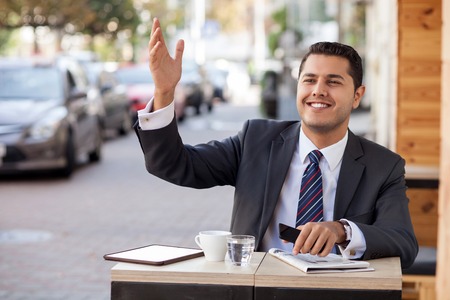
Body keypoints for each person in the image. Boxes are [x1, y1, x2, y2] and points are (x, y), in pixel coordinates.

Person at [135, 18, 418, 268]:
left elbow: (403, 243)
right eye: (309, 80)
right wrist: (164, 92)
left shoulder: (384, 166)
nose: (318, 90)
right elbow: (172, 164)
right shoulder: (256, 141)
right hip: (259, 289)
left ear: (357, 96)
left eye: (333, 82)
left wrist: (342, 231)